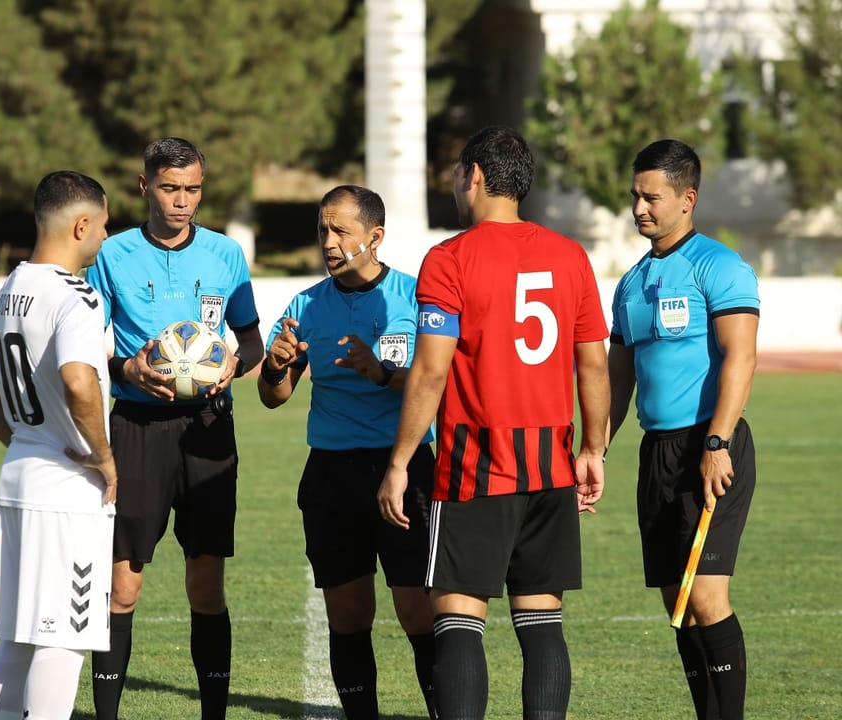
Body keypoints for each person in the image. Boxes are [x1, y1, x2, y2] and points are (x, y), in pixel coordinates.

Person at [377, 126, 610, 719]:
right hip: (551, 463)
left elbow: (430, 371)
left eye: (457, 174)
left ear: (474, 176)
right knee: (541, 622)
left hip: (475, 466)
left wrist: (400, 463)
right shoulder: (570, 255)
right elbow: (593, 364)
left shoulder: (449, 258)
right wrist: (593, 449)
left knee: (457, 617)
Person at [84, 137, 264, 720]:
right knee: (123, 585)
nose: (182, 200)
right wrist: (127, 367)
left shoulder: (226, 255)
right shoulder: (111, 255)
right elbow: (86, 351)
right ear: (145, 187)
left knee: (205, 584)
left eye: (192, 189)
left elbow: (253, 340)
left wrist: (236, 363)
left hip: (208, 428)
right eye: (169, 188)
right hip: (136, 426)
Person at [258, 185, 438, 720]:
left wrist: (381, 373)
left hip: (404, 468)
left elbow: (438, 383)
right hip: (332, 474)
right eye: (322, 230)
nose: (328, 242)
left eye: (340, 230)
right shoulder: (305, 304)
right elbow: (274, 397)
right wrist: (275, 365)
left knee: (418, 611)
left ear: (375, 236)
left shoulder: (415, 298)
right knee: (349, 613)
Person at [0, 170, 118, 720]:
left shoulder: (12, 286)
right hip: (67, 487)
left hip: (22, 472)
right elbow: (79, 381)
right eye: (102, 225)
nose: (104, 236)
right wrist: (103, 455)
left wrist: (20, 437)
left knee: (21, 634)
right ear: (80, 225)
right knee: (64, 638)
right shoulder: (78, 296)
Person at [609, 139, 758, 720]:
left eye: (653, 197)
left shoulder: (719, 266)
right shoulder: (629, 285)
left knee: (707, 596)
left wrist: (718, 443)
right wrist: (593, 448)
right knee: (677, 603)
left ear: (687, 198)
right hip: (658, 453)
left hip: (711, 443)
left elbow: (740, 359)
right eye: (636, 196)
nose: (640, 207)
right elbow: (619, 380)